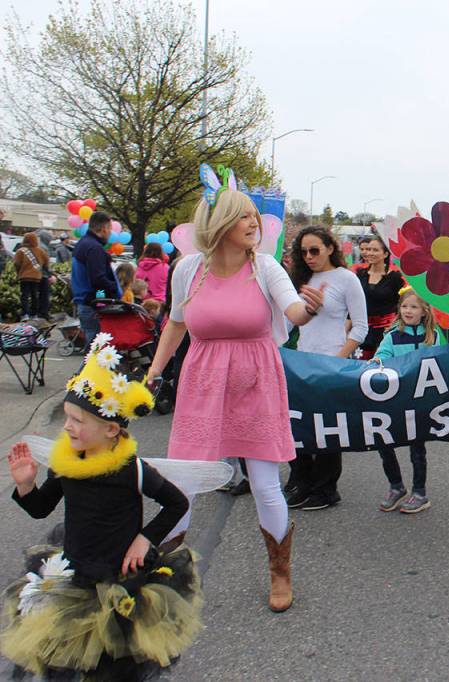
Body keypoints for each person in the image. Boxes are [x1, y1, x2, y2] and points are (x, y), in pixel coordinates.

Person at [147, 177, 325, 612]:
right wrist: (153, 371)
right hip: (203, 381)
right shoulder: (188, 268)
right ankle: (170, 576)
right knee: (182, 481)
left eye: (252, 215)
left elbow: (293, 310)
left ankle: (279, 573)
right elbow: (176, 323)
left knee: (265, 484)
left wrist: (309, 308)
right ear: (222, 222)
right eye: (243, 215)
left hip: (256, 381)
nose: (253, 223)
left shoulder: (265, 267)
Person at [2, 338, 201, 680]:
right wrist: (25, 486)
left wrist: (145, 539)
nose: (67, 427)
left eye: (77, 420)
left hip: (122, 582)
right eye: (67, 418)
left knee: (116, 666)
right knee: (68, 661)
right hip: (76, 577)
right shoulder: (67, 465)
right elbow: (40, 509)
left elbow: (176, 503)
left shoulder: (130, 470)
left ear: (110, 428)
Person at [285, 226, 368, 511]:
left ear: (330, 248)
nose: (309, 257)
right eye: (303, 251)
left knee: (328, 428)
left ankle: (326, 489)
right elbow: (289, 323)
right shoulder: (300, 279)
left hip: (332, 363)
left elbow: (360, 327)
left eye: (315, 250)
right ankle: (302, 482)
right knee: (297, 425)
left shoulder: (346, 279)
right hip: (300, 362)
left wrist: (340, 359)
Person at [373, 289, 440, 514]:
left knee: (417, 448)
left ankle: (420, 492)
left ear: (424, 311)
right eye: (404, 306)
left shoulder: (433, 335)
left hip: (418, 402)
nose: (408, 311)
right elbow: (381, 357)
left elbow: (441, 361)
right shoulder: (392, 336)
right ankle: (396, 486)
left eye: (413, 307)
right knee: (384, 442)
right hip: (393, 400)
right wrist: (379, 363)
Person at [71, 212, 120, 347]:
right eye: (110, 229)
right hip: (92, 304)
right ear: (104, 228)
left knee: (93, 349)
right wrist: (114, 289)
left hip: (85, 302)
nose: (110, 233)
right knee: (96, 351)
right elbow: (98, 280)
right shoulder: (94, 248)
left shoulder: (83, 244)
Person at [355, 234, 404, 360]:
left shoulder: (395, 278)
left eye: (375, 250)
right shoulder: (359, 275)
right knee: (360, 367)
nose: (369, 253)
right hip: (363, 330)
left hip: (387, 331)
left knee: (383, 367)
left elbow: (402, 303)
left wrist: (396, 324)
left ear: (385, 254)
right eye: (368, 249)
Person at [12, 232, 49, 320]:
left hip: (24, 276)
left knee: (24, 295)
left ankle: (25, 314)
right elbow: (46, 263)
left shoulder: (20, 251)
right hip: (36, 277)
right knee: (34, 295)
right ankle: (34, 314)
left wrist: (19, 272)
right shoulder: (40, 250)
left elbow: (17, 263)